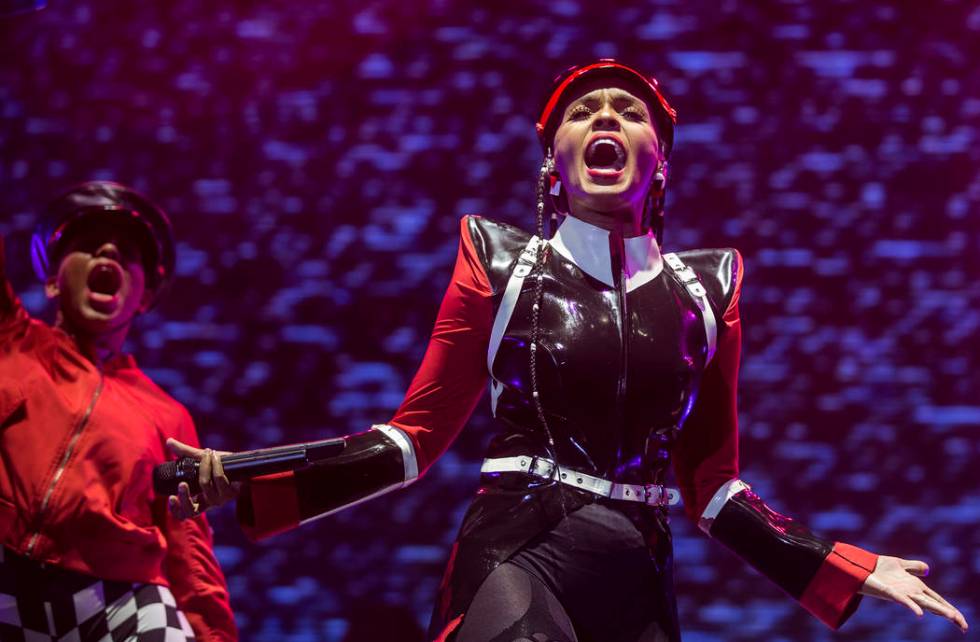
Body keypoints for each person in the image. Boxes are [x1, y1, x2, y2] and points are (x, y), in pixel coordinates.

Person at [170, 60, 968, 642]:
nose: (607, 121)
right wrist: (242, 476)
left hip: (639, 570)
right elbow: (411, 442)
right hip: (519, 548)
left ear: (660, 156)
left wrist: (842, 563)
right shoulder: (502, 259)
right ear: (553, 158)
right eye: (584, 114)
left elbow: (713, 488)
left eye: (629, 111)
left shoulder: (708, 288)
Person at [0, 181, 237, 641]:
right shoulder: (10, 342)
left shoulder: (167, 416)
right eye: (87, 245)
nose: (108, 249)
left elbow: (191, 561)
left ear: (144, 296)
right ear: (51, 278)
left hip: (112, 600)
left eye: (129, 254)